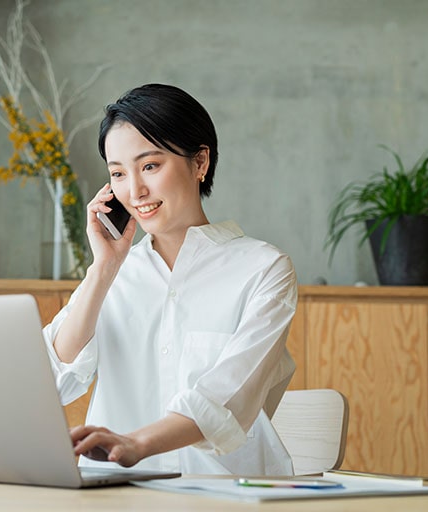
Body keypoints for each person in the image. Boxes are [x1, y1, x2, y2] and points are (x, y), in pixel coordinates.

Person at [42, 83, 297, 475]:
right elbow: (55, 382)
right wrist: (103, 270)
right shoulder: (113, 273)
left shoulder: (263, 269)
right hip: (117, 495)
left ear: (199, 163)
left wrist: (137, 444)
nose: (135, 190)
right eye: (118, 174)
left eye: (149, 166)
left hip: (224, 497)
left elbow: (224, 400)